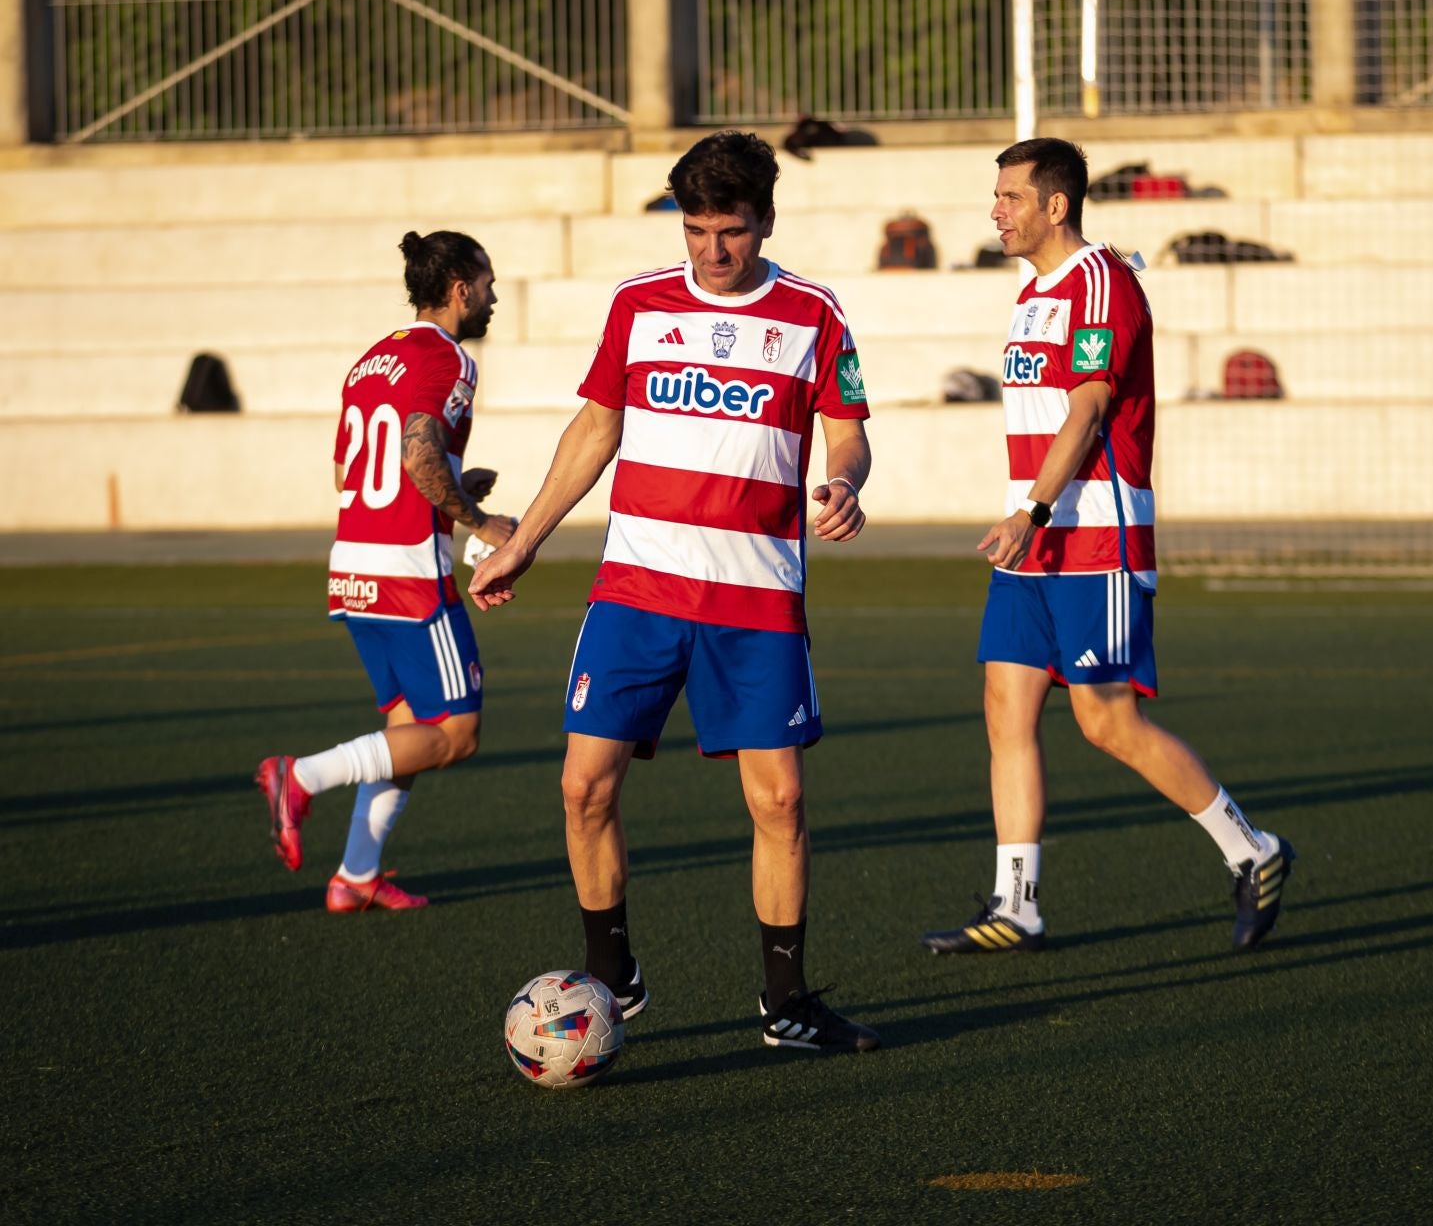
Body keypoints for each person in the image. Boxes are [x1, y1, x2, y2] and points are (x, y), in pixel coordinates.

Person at [467, 131, 881, 1053]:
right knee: (583, 787)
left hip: (756, 601)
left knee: (778, 803)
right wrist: (525, 541)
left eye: (729, 232)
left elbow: (847, 430)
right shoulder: (639, 304)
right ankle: (612, 983)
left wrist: (844, 482)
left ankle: (786, 1005)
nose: (711, 251)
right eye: (696, 230)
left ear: (765, 221)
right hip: (638, 593)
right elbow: (596, 426)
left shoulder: (815, 314)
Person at [921, 138, 1296, 957]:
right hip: (1037, 535)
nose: (996, 210)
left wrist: (1033, 509)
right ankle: (1016, 904)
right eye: (996, 196)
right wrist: (1027, 517)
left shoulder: (1102, 282)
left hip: (1094, 535)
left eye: (1010, 196)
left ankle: (1251, 847)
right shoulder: (1032, 292)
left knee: (1106, 721)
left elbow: (1089, 409)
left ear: (1056, 205)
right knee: (1004, 706)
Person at [255, 231, 517, 911]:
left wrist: (458, 485)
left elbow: (349, 470)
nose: (492, 295)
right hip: (407, 574)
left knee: (409, 732)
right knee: (456, 736)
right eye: (487, 282)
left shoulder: (373, 359)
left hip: (353, 569)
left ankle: (356, 875)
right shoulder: (451, 359)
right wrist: (482, 523)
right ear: (461, 287)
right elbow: (419, 453)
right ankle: (301, 776)